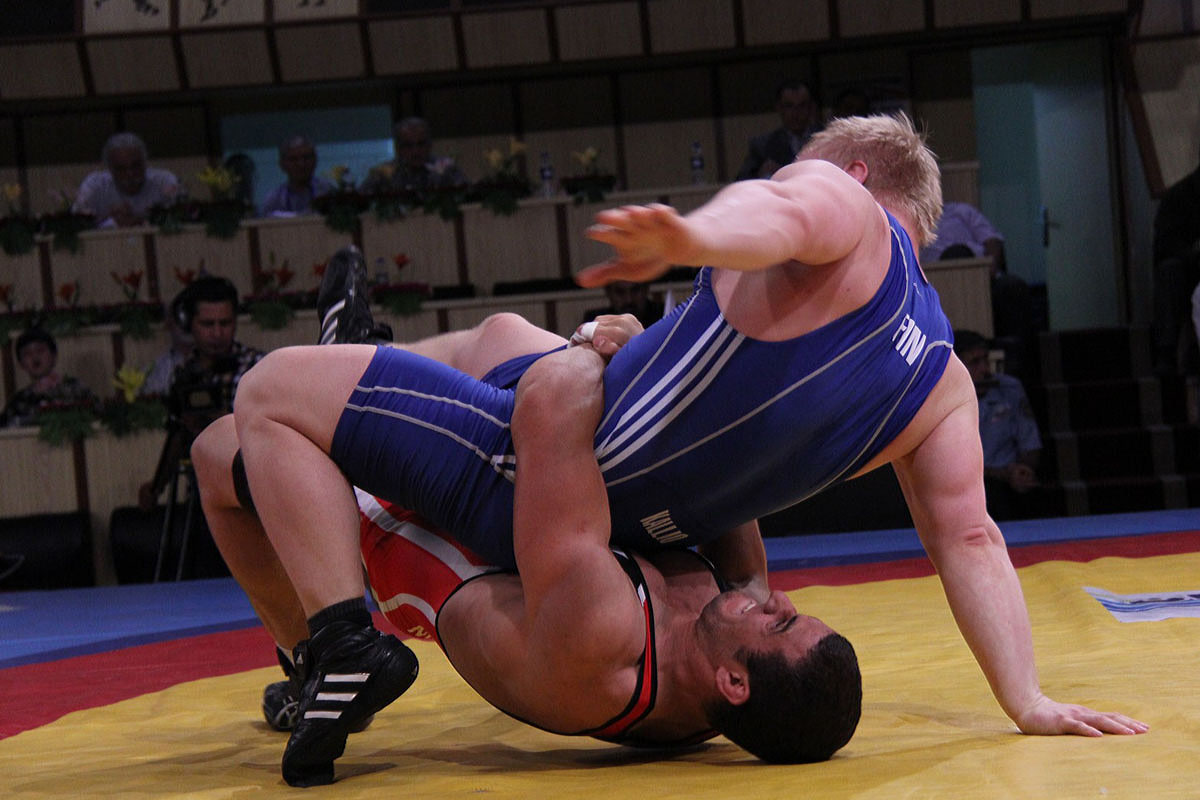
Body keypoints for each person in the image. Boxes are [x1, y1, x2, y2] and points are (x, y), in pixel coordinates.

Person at [217, 113, 1145, 784]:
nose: (794, 179)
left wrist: (692, 235)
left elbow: (780, 211)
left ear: (856, 177)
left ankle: (339, 639)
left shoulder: (837, 208)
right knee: (501, 333)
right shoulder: (942, 381)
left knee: (263, 399)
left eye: (805, 169)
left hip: (537, 474)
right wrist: (1024, 697)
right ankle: (357, 355)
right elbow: (970, 537)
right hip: (647, 514)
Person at [138, 276, 264, 511]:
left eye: (225, 323)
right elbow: (177, 434)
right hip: (203, 495)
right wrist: (157, 487)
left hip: (254, 490)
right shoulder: (184, 374)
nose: (217, 333)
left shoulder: (257, 367)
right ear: (190, 325)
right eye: (207, 324)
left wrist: (222, 421)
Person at [921, 201, 1034, 375]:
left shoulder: (962, 212)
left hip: (983, 280)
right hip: (936, 286)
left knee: (1013, 288)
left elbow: (992, 240)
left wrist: (990, 269)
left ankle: (1017, 364)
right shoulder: (915, 222)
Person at [954, 330, 1043, 521]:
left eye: (986, 360)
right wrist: (1001, 474)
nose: (985, 369)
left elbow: (1030, 442)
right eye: (975, 362)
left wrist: (1023, 469)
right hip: (963, 488)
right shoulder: (943, 400)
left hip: (1008, 487)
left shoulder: (1009, 388)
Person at [1152, 148, 1200, 375]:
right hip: (1189, 268)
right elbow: (1165, 245)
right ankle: (1167, 352)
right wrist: (1194, 252)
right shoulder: (1179, 196)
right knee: (1169, 271)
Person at [73, 132, 180, 228]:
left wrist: (142, 220)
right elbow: (75, 224)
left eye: (135, 166)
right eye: (121, 169)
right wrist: (109, 220)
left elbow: (183, 219)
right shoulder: (95, 187)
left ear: (145, 163)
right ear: (109, 169)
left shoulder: (164, 182)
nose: (130, 174)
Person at [1, 327, 97, 427]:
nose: (35, 357)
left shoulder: (76, 388)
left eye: (40, 351)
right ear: (21, 364)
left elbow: (97, 414)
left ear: (54, 356)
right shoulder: (19, 401)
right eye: (27, 354)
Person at [735, 79, 822, 181]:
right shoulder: (763, 146)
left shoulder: (827, 138)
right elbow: (741, 181)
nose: (796, 113)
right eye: (789, 106)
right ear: (779, 108)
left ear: (811, 108)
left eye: (802, 106)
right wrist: (760, 175)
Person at [358, 117, 468, 195]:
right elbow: (359, 201)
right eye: (408, 146)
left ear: (430, 145)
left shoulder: (446, 168)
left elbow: (468, 195)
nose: (416, 151)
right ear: (398, 148)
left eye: (421, 144)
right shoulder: (383, 174)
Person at [260, 135, 334, 217]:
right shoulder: (274, 200)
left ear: (315, 161)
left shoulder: (328, 192)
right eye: (293, 159)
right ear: (282, 164)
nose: (301, 164)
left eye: (306, 158)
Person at [140, 290, 194, 397]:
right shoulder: (151, 374)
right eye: (180, 318)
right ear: (168, 323)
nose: (185, 324)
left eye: (190, 317)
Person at [580, 279, 664, 330]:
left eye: (635, 290)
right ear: (609, 293)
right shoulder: (595, 322)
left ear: (646, 289)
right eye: (620, 292)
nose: (629, 299)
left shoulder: (664, 315)